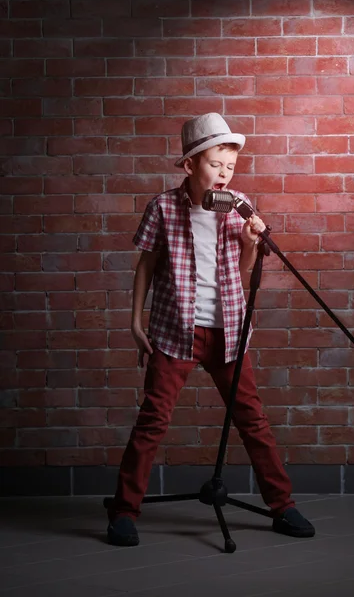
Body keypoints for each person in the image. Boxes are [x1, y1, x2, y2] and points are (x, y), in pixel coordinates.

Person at [107, 112, 315, 546]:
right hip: (174, 329)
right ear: (189, 165)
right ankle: (124, 510)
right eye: (215, 164)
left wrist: (249, 244)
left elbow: (242, 277)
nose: (224, 173)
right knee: (152, 421)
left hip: (227, 332)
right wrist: (134, 319)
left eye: (230, 167)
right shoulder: (163, 207)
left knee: (253, 420)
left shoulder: (239, 206)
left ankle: (283, 506)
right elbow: (145, 265)